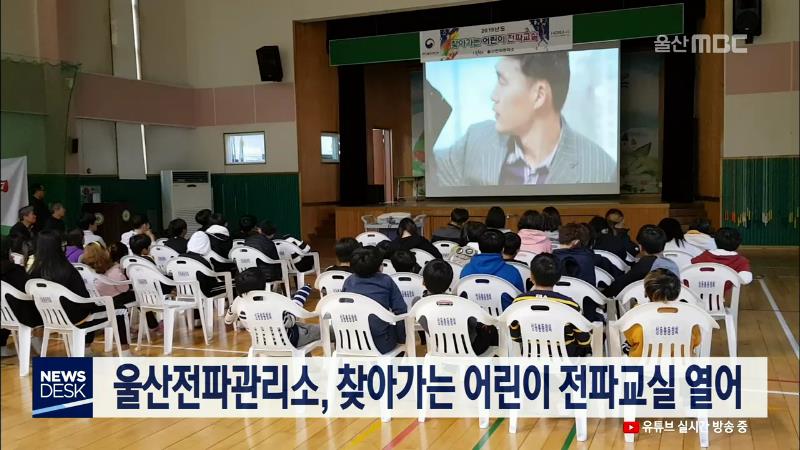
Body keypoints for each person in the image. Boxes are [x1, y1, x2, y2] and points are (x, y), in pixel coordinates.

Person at [430, 52, 615, 187]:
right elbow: (429, 172)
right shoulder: (475, 140)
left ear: (539, 95)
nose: (493, 95)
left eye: (502, 81)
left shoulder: (601, 170)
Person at [28, 230, 128, 354]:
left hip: (48, 318)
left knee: (90, 309)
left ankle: (86, 349)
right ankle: (125, 352)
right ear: (59, 246)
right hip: (76, 318)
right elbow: (84, 299)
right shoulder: (67, 269)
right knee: (120, 310)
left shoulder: (33, 272)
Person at [509, 253, 592, 356]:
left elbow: (515, 337)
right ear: (558, 278)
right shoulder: (570, 305)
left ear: (531, 277)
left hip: (531, 358)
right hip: (566, 360)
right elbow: (584, 341)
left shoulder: (519, 302)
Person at [224, 268, 320, 347]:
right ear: (263, 286)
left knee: (304, 328)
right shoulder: (272, 303)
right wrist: (298, 299)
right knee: (324, 330)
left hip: (261, 344)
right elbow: (290, 322)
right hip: (287, 341)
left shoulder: (237, 301)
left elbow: (228, 320)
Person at [418, 259, 497, 354]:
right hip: (470, 349)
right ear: (450, 282)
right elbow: (473, 323)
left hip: (441, 349)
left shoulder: (419, 304)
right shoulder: (460, 303)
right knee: (491, 328)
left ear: (423, 282)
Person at [342, 247, 407, 354]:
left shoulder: (349, 281)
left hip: (350, 342)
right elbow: (401, 311)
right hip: (381, 344)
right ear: (379, 266)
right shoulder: (386, 281)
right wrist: (402, 339)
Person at [622, 269, 701, 357]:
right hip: (681, 364)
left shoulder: (636, 313)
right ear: (677, 293)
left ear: (646, 292)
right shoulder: (689, 315)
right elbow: (696, 341)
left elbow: (630, 338)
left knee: (627, 345)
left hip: (643, 364)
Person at [80, 243, 137, 345]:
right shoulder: (111, 269)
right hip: (109, 302)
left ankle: (87, 346)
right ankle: (125, 347)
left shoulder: (83, 269)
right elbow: (124, 288)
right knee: (135, 297)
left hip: (91, 302)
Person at [604, 225, 680, 298]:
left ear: (640, 247)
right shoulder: (672, 265)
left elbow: (618, 286)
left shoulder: (646, 263)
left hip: (650, 304)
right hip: (675, 303)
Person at [0, 236, 42, 357]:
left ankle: (2, 346)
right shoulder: (15, 270)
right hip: (17, 316)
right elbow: (27, 289)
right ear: (8, 251)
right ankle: (37, 347)